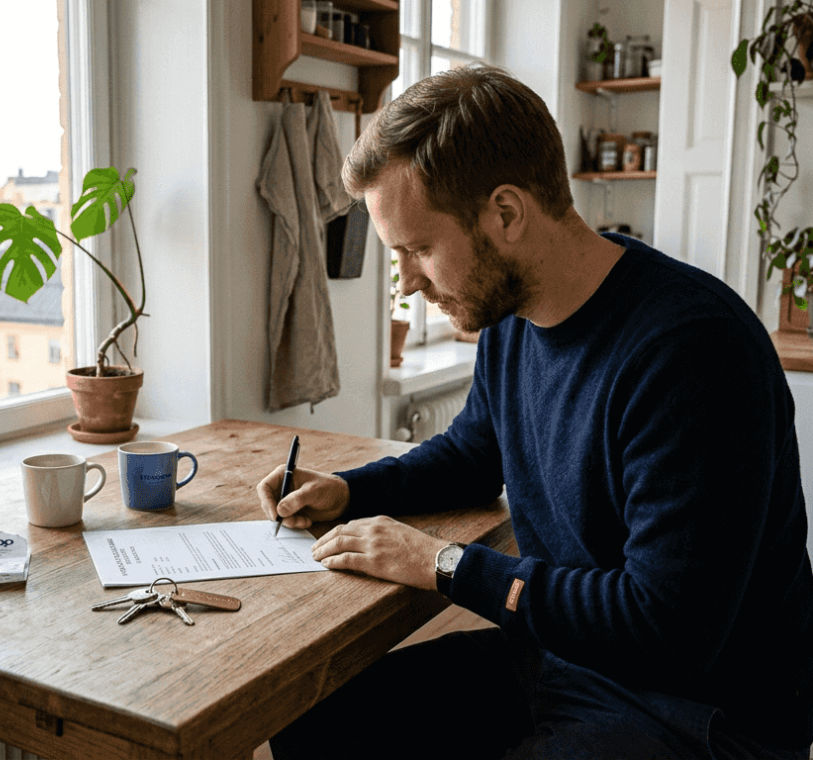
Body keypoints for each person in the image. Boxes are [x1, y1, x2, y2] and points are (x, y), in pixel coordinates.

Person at [256, 64, 813, 759]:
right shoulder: (511, 320)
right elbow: (469, 454)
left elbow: (667, 632)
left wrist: (447, 564)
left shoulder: (693, 353)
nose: (407, 283)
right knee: (315, 716)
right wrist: (348, 490)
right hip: (564, 661)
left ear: (507, 213)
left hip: (699, 713)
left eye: (421, 249)